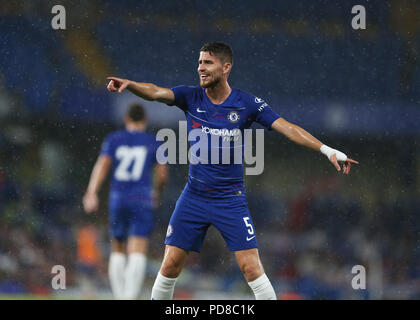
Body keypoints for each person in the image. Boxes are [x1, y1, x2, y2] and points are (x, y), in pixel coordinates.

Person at [105, 42, 358, 300]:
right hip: (193, 197)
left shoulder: (246, 103)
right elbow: (157, 92)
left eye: (208, 63)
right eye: (200, 62)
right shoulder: (190, 96)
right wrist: (131, 85)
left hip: (230, 200)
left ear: (226, 67)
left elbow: (288, 128)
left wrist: (327, 150)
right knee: (170, 265)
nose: (200, 68)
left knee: (251, 268)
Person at [82, 103, 168, 299]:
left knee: (118, 247)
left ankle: (120, 296)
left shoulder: (114, 139)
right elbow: (162, 175)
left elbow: (102, 166)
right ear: (145, 120)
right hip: (142, 199)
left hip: (118, 199)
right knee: (138, 248)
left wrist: (91, 192)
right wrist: (157, 192)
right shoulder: (154, 142)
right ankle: (130, 296)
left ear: (126, 119)